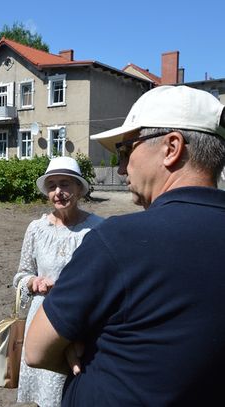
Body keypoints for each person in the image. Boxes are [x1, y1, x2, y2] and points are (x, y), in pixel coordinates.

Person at [24, 85, 225, 406]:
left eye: (126, 150)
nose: (120, 167)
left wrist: (79, 344)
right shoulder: (43, 229)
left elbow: (35, 350)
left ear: (171, 147)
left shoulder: (119, 239)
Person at [13, 156, 103, 407]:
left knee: (77, 388)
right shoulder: (36, 229)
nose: (58, 192)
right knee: (47, 391)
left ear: (79, 188)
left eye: (65, 184)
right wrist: (33, 282)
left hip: (82, 322)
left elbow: (104, 278)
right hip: (42, 319)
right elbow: (20, 275)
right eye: (52, 186)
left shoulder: (97, 229)